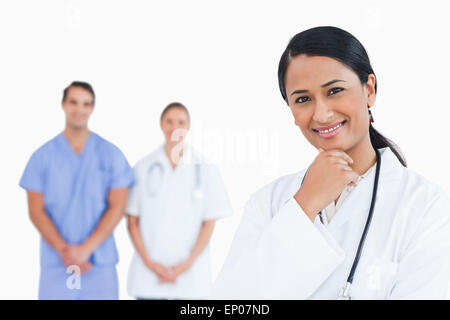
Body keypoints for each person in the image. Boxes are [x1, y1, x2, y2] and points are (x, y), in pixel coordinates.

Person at [211, 26, 450, 300]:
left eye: (335, 90)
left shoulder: (425, 205)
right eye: (302, 99)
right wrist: (305, 204)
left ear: (369, 89)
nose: (322, 114)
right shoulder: (268, 203)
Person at [19, 81, 134, 299]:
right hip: (57, 263)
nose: (79, 110)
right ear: (63, 104)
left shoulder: (111, 154)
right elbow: (36, 211)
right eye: (74, 102)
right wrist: (66, 251)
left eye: (86, 104)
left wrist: (85, 250)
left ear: (92, 108)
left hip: (98, 264)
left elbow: (118, 207)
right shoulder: (42, 157)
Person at [126, 102, 233, 299]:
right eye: (169, 121)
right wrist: (151, 264)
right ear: (160, 124)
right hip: (149, 277)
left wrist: (185, 265)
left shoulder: (205, 169)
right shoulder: (143, 167)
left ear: (189, 126)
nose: (175, 127)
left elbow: (209, 223)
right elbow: (132, 221)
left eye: (181, 122)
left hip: (190, 278)